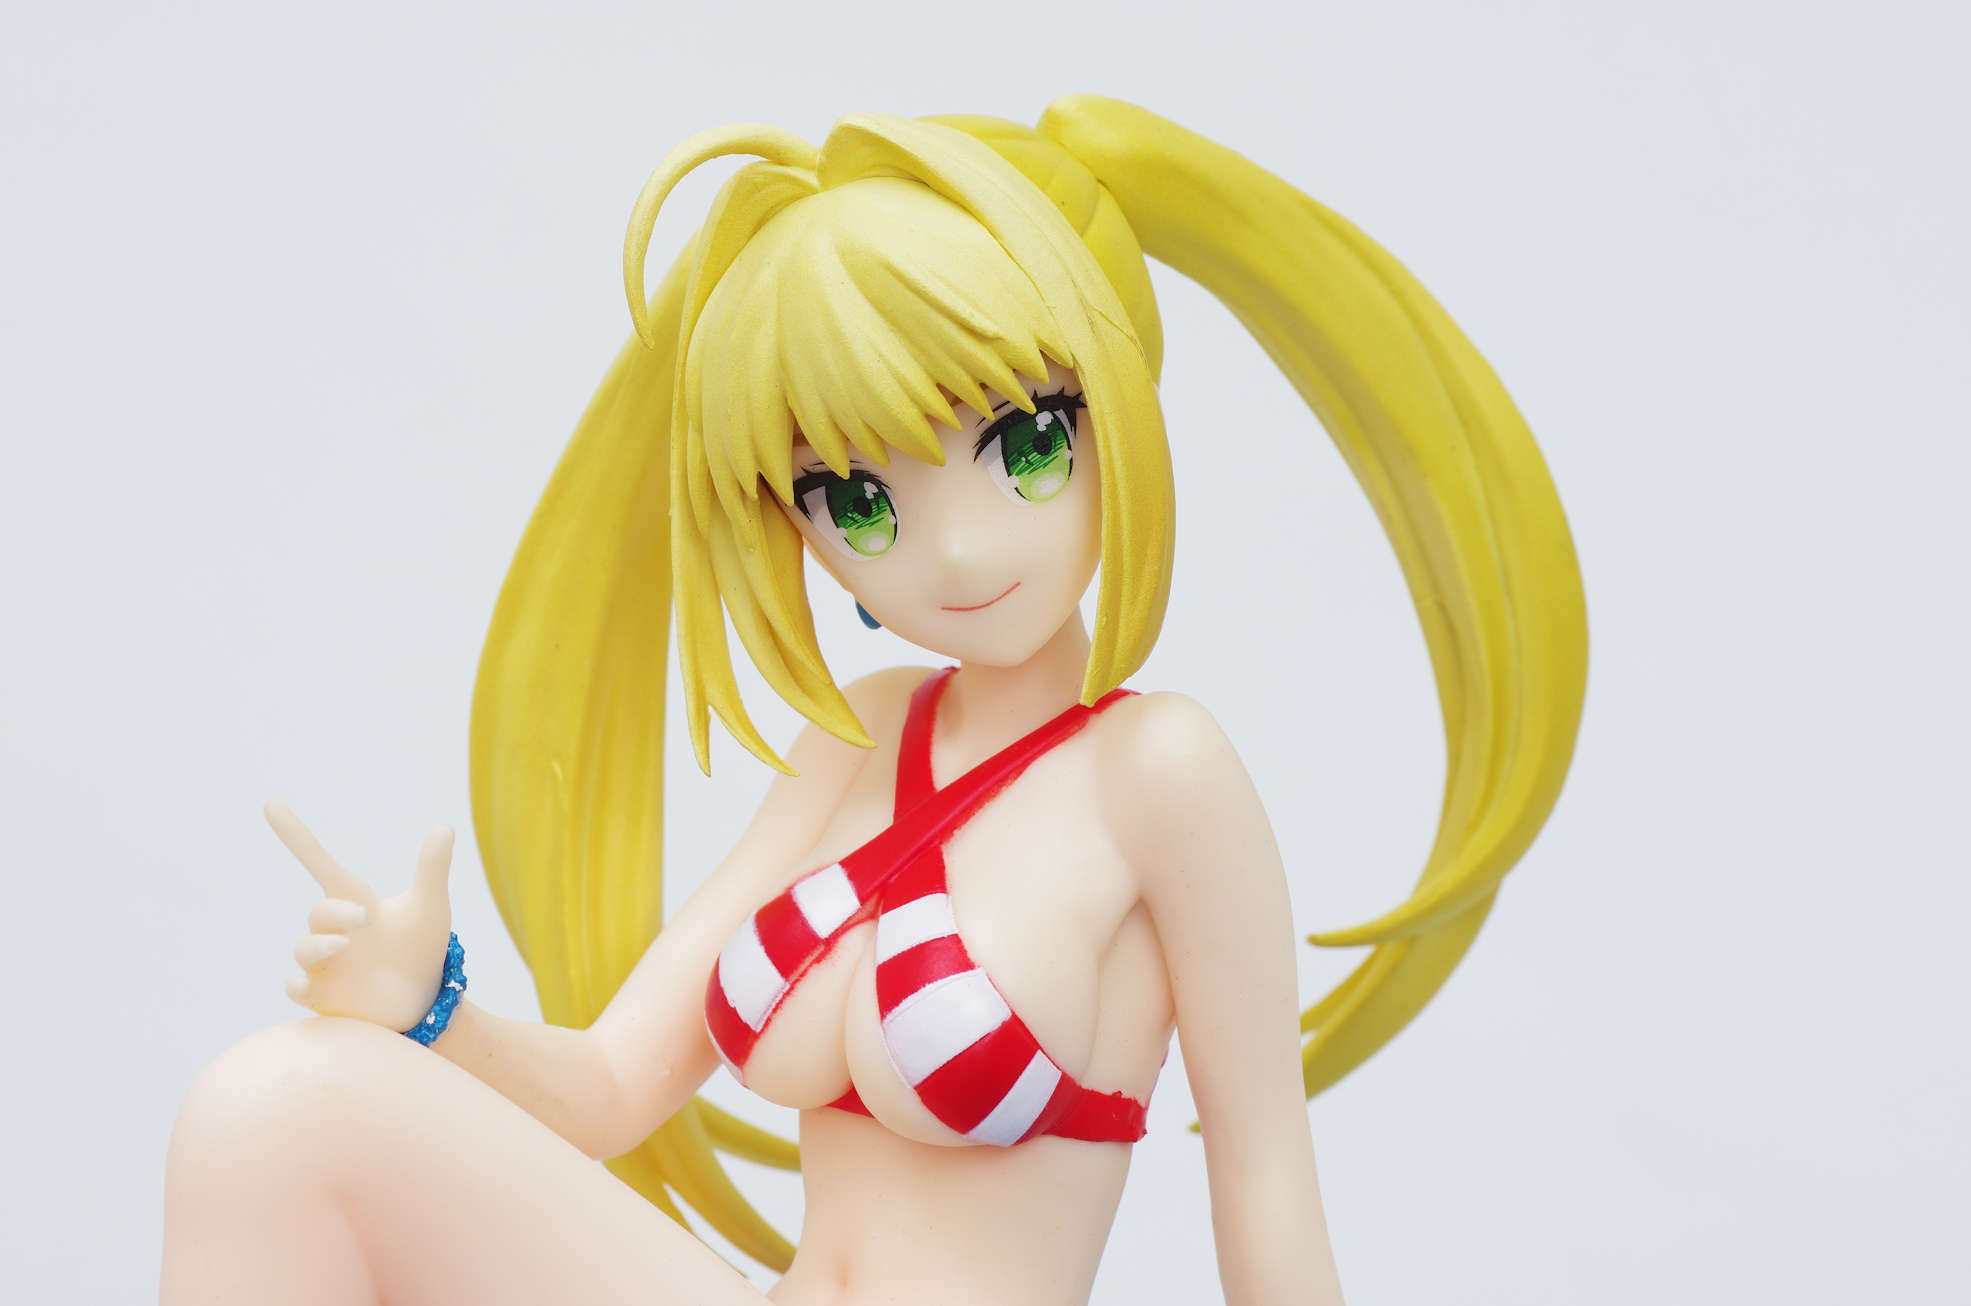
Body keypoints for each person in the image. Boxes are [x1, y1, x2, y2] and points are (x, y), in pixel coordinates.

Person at [159, 94, 1586, 1306]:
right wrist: (429, 1004)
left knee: (278, 1109)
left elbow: (1264, 1177)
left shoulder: (1160, 769)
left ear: (1119, 417)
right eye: (858, 500)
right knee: (271, 1110)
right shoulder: (857, 738)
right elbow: (605, 1090)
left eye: (1026, 444)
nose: (956, 551)